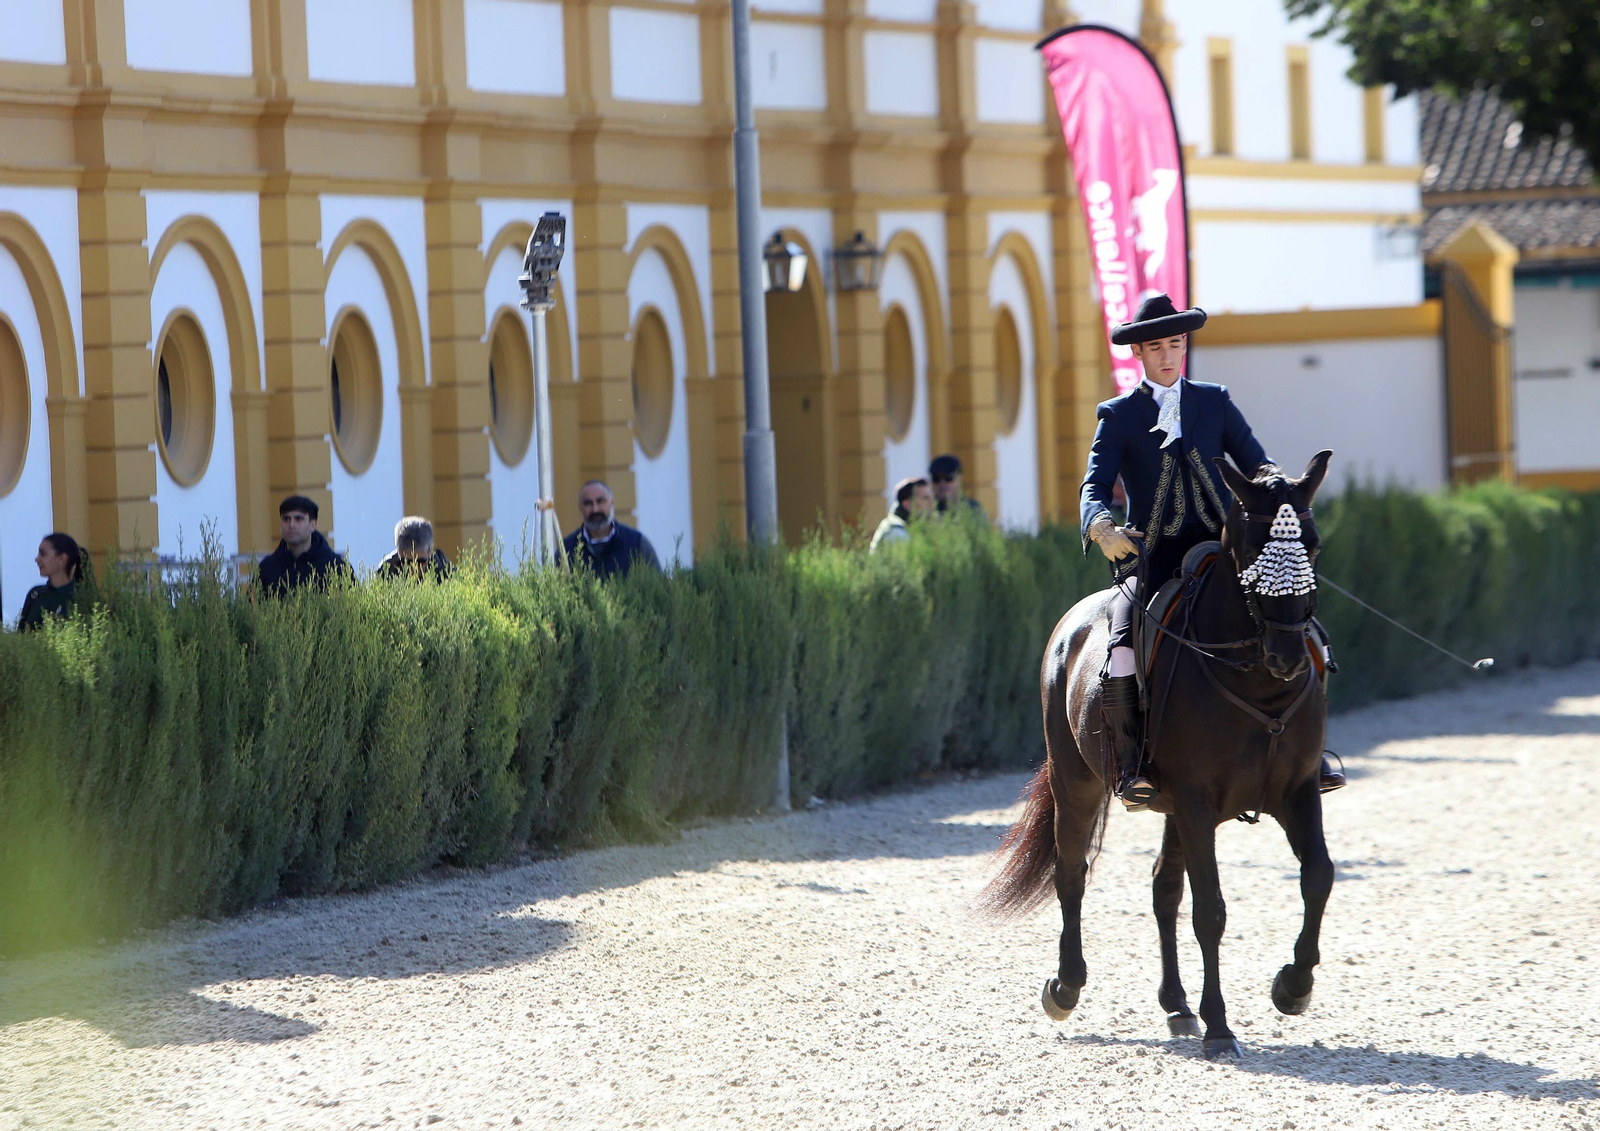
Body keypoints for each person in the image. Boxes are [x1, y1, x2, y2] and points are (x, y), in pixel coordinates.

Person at [1080, 293, 1343, 809]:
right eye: (1156, 347)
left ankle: (1312, 754)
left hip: (1225, 548)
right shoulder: (1118, 415)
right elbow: (1094, 486)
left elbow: (1258, 461)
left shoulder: (1214, 401)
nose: (1168, 356)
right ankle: (1135, 763)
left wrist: (1280, 487)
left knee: (1303, 624)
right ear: (1140, 354)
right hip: (1155, 556)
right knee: (1121, 643)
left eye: (1176, 344)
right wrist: (1102, 526)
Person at [562, 480, 662, 580]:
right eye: (588, 503)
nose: (595, 509)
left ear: (612, 503)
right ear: (580, 507)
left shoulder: (636, 543)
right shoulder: (567, 549)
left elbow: (657, 585)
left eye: (600, 501)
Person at [257, 495, 354, 594]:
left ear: (313, 525)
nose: (291, 525)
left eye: (298, 519)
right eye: (286, 519)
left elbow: (352, 605)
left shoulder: (336, 566)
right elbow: (251, 606)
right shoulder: (267, 568)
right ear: (281, 525)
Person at [18, 532, 83, 631]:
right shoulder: (35, 594)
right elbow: (20, 635)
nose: (37, 559)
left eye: (43, 554)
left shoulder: (81, 596)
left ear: (61, 558)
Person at [377, 516, 453, 581]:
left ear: (430, 552)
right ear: (399, 553)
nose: (414, 568)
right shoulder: (386, 570)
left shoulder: (446, 572)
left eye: (420, 561)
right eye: (407, 562)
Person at [870, 476, 933, 553]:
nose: (931, 503)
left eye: (932, 497)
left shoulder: (913, 526)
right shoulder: (895, 531)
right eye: (925, 498)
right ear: (907, 503)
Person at [928, 454, 987, 523]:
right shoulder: (928, 509)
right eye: (936, 479)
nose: (942, 484)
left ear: (960, 478)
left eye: (948, 478)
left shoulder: (972, 508)